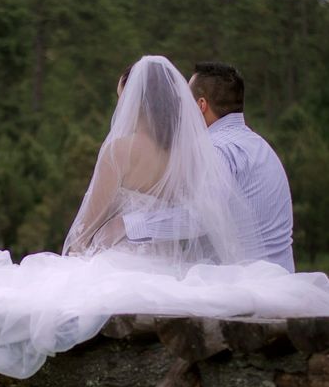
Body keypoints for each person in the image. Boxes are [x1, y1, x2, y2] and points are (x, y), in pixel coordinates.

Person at [0, 56, 329, 387]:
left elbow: (174, 222)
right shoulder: (212, 151)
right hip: (211, 272)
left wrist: (110, 235)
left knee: (49, 306)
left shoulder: (192, 151)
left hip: (221, 273)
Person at [122, 61, 295, 272]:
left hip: (244, 288)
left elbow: (202, 217)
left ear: (201, 105)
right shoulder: (261, 147)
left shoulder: (215, 150)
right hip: (282, 281)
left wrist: (129, 225)